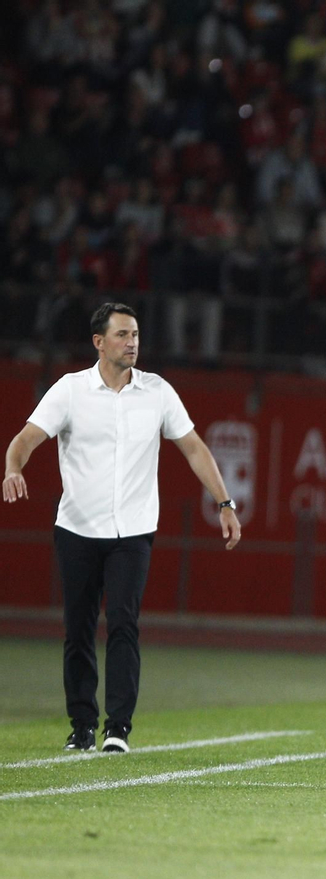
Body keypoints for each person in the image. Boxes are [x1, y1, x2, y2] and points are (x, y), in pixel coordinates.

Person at [2, 303, 242, 753]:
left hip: (132, 532)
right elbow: (25, 439)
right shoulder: (70, 391)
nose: (132, 342)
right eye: (122, 335)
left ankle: (118, 728)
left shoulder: (157, 392)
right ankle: (81, 726)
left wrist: (225, 502)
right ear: (99, 342)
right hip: (76, 528)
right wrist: (13, 468)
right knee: (78, 630)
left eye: (135, 335)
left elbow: (193, 447)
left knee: (124, 624)